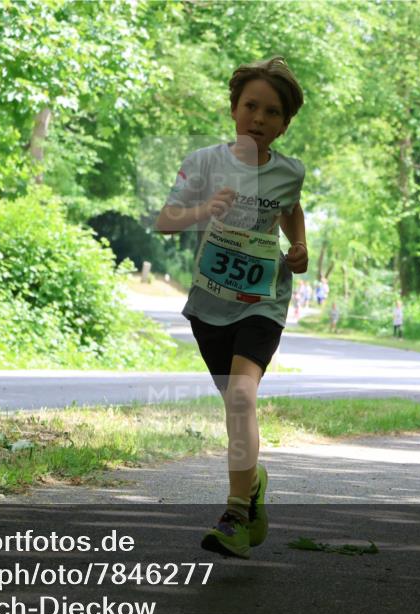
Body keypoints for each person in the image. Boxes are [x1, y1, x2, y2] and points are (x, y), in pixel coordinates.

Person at [155, 56, 306, 556]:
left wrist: (299, 248)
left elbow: (290, 210)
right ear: (234, 108)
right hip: (209, 303)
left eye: (272, 112)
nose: (259, 118)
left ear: (285, 124)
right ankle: (253, 482)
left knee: (242, 396)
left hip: (263, 300)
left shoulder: (289, 173)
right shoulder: (202, 162)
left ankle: (236, 513)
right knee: (234, 404)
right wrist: (204, 210)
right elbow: (166, 221)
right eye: (251, 106)